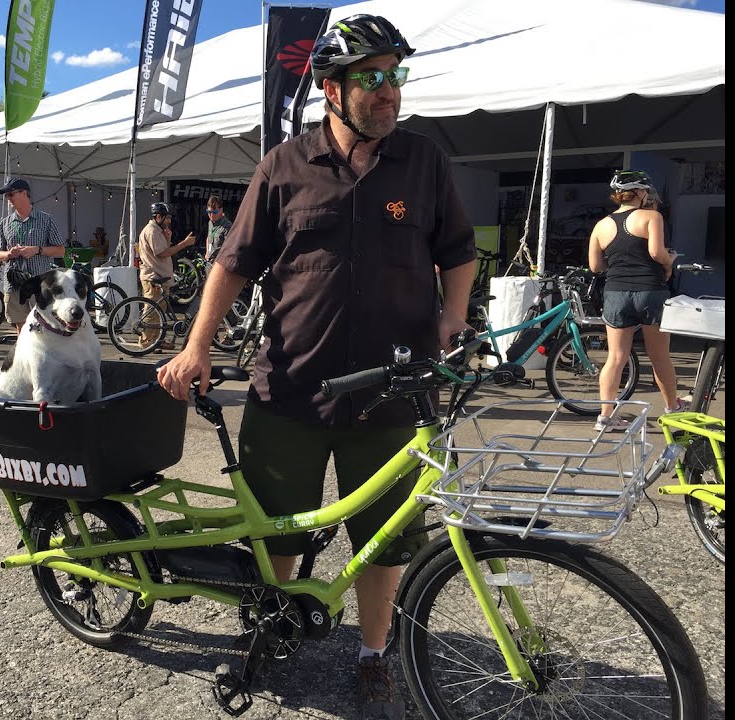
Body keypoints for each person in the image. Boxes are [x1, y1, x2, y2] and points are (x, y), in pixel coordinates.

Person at [155, 15, 475, 719]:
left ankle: (372, 653)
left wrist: (452, 317)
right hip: (291, 390)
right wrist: (197, 344)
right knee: (278, 528)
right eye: (374, 78)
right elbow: (233, 264)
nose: (390, 90)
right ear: (332, 88)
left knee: (386, 540)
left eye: (396, 75)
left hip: (394, 396)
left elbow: (459, 252)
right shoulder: (283, 166)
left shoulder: (423, 162)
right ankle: (272, 626)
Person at [588, 170, 685, 430]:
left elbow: (595, 266)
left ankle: (606, 417)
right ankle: (672, 408)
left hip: (616, 293)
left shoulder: (601, 225)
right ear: (641, 193)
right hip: (651, 290)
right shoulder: (652, 216)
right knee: (659, 355)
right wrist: (670, 262)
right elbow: (656, 252)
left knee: (616, 357)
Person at [0, 178, 66, 335]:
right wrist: (9, 254)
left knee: (44, 326)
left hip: (39, 284)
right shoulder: (5, 223)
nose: (8, 199)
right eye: (7, 196)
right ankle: (26, 359)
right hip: (14, 284)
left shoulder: (46, 220)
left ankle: (44, 358)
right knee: (22, 328)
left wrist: (37, 250)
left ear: (24, 193)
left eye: (11, 194)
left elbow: (60, 250)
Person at [137, 202, 197, 351]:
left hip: (160, 275)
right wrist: (184, 243)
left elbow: (163, 250)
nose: (169, 221)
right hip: (153, 277)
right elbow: (163, 253)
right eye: (167, 218)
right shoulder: (152, 231)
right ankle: (146, 342)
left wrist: (168, 239)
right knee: (152, 311)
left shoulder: (158, 230)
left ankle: (157, 340)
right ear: (159, 217)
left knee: (159, 312)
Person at [202, 195, 233, 264]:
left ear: (221, 210)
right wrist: (207, 252)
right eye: (209, 212)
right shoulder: (210, 222)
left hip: (220, 263)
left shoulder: (227, 226)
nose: (211, 215)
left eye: (214, 212)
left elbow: (230, 248)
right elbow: (209, 238)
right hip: (209, 261)